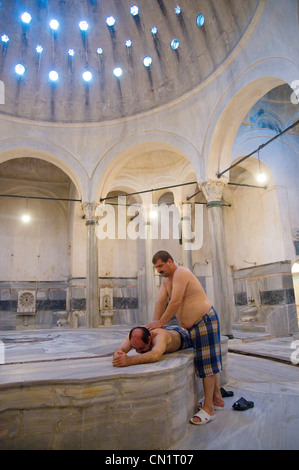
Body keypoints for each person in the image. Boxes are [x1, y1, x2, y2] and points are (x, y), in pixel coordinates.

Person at [146, 250, 224, 425]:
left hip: (205, 320)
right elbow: (160, 302)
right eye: (156, 267)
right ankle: (217, 398)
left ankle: (209, 408)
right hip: (192, 326)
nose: (158, 270)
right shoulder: (165, 280)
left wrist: (160, 323)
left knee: (207, 365)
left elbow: (175, 302)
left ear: (170, 262)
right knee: (206, 361)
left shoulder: (182, 273)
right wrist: (154, 324)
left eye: (160, 265)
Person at [112, 324, 193, 367]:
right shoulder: (135, 335)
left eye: (141, 348)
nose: (139, 351)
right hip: (165, 328)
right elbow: (121, 349)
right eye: (135, 349)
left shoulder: (160, 336)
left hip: (182, 336)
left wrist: (129, 360)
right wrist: (117, 355)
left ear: (149, 339)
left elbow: (155, 355)